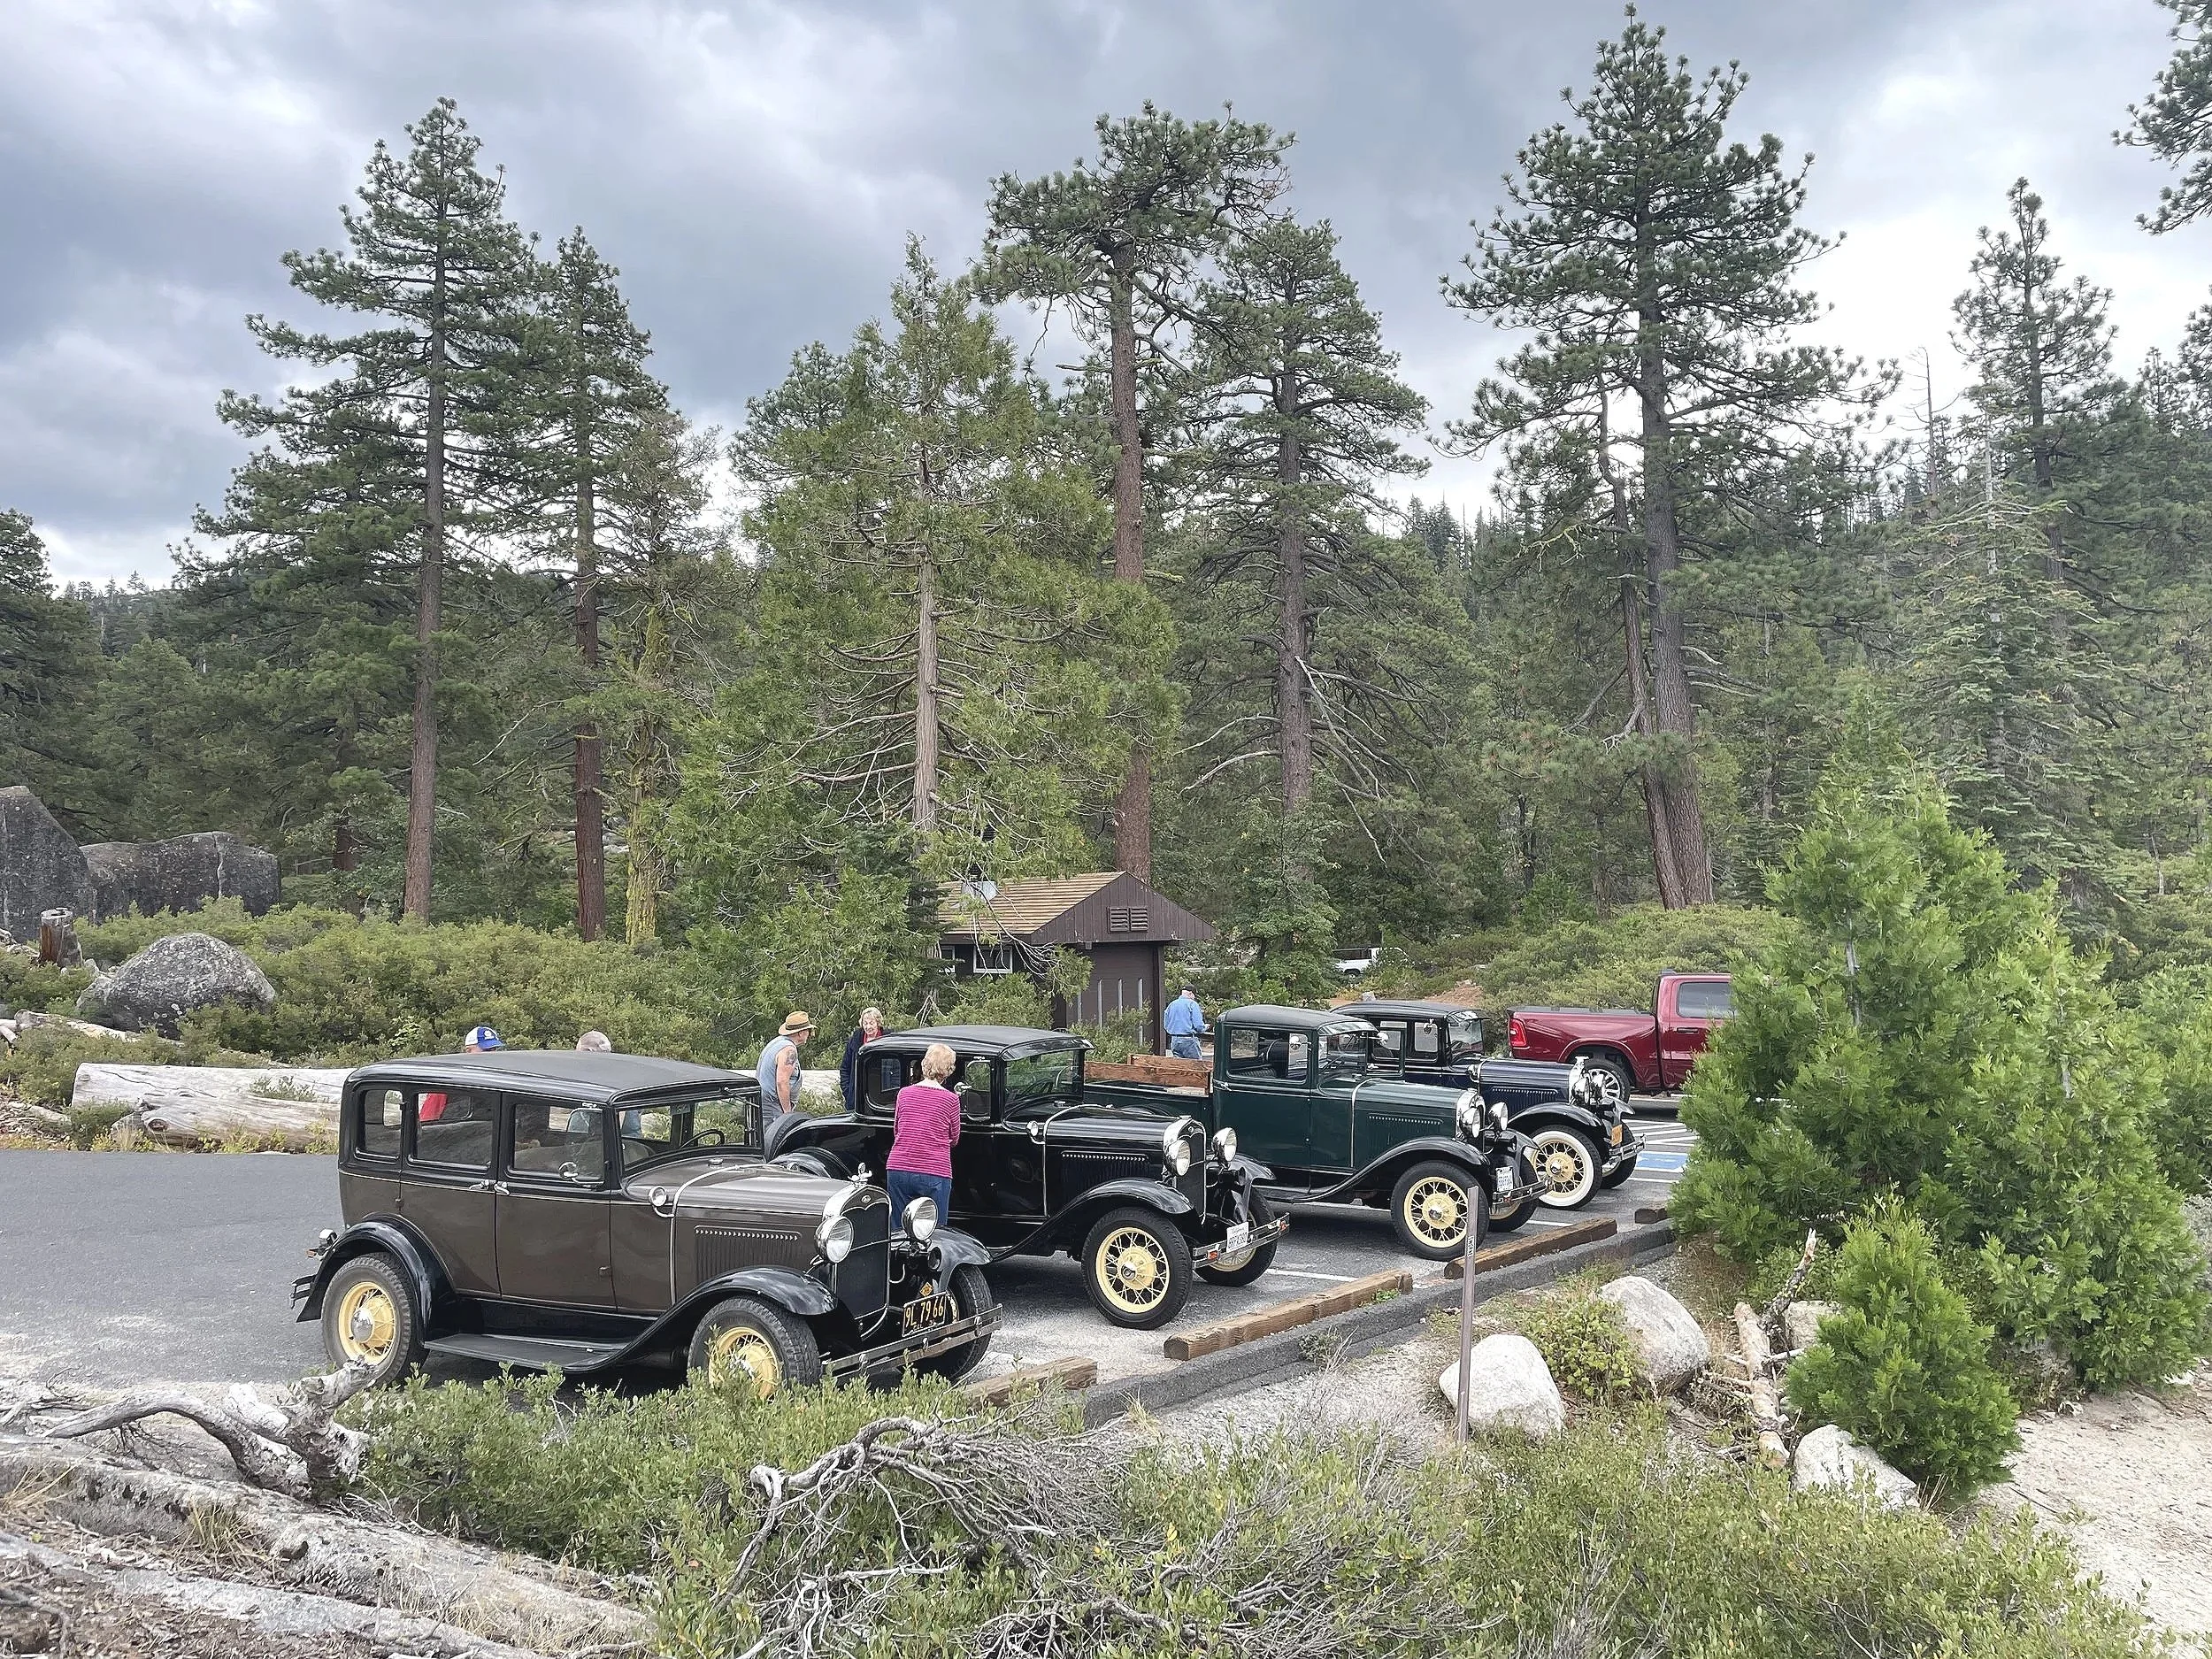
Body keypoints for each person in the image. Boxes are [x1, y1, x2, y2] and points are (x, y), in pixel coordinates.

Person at [886, 1041, 960, 1227]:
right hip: (934, 1170)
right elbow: (955, 1138)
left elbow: (897, 1130)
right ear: (948, 1070)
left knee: (898, 1228)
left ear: (925, 1064)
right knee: (933, 1229)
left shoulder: (904, 1093)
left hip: (899, 1166)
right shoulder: (951, 1100)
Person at [422, 1025, 502, 1123]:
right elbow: (426, 1121)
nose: (492, 1055)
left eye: (494, 1050)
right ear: (468, 1051)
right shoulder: (446, 1081)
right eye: (487, 1050)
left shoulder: (499, 1080)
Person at [757, 1011, 812, 1129]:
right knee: (774, 1140)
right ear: (800, 1033)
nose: (809, 1034)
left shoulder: (777, 1042)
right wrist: (787, 1113)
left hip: (765, 1102)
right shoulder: (788, 1050)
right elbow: (782, 1082)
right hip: (773, 1106)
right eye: (808, 1030)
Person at [840, 1008, 886, 1113]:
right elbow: (845, 1068)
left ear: (878, 1023)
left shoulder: (887, 1039)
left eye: (871, 1023)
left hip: (881, 1096)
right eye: (865, 1023)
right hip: (856, 1097)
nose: (868, 1027)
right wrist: (848, 1092)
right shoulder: (854, 1041)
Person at [1163, 987, 1207, 1061]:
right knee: (1196, 1067)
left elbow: (1166, 1025)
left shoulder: (1171, 1005)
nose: (1194, 998)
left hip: (1174, 1041)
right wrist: (1205, 1027)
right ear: (1190, 993)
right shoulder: (1193, 1004)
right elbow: (1199, 1027)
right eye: (1194, 995)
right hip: (1189, 1041)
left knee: (1180, 1067)